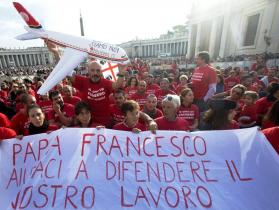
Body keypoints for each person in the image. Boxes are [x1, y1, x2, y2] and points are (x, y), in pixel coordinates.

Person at [72, 61, 126, 126]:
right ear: (88, 71)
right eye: (92, 70)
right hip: (87, 122)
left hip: (104, 123)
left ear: (101, 71)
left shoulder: (106, 83)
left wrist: (121, 73)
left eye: (98, 70)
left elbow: (117, 85)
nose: (95, 73)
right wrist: (57, 55)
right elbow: (66, 73)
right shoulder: (83, 81)